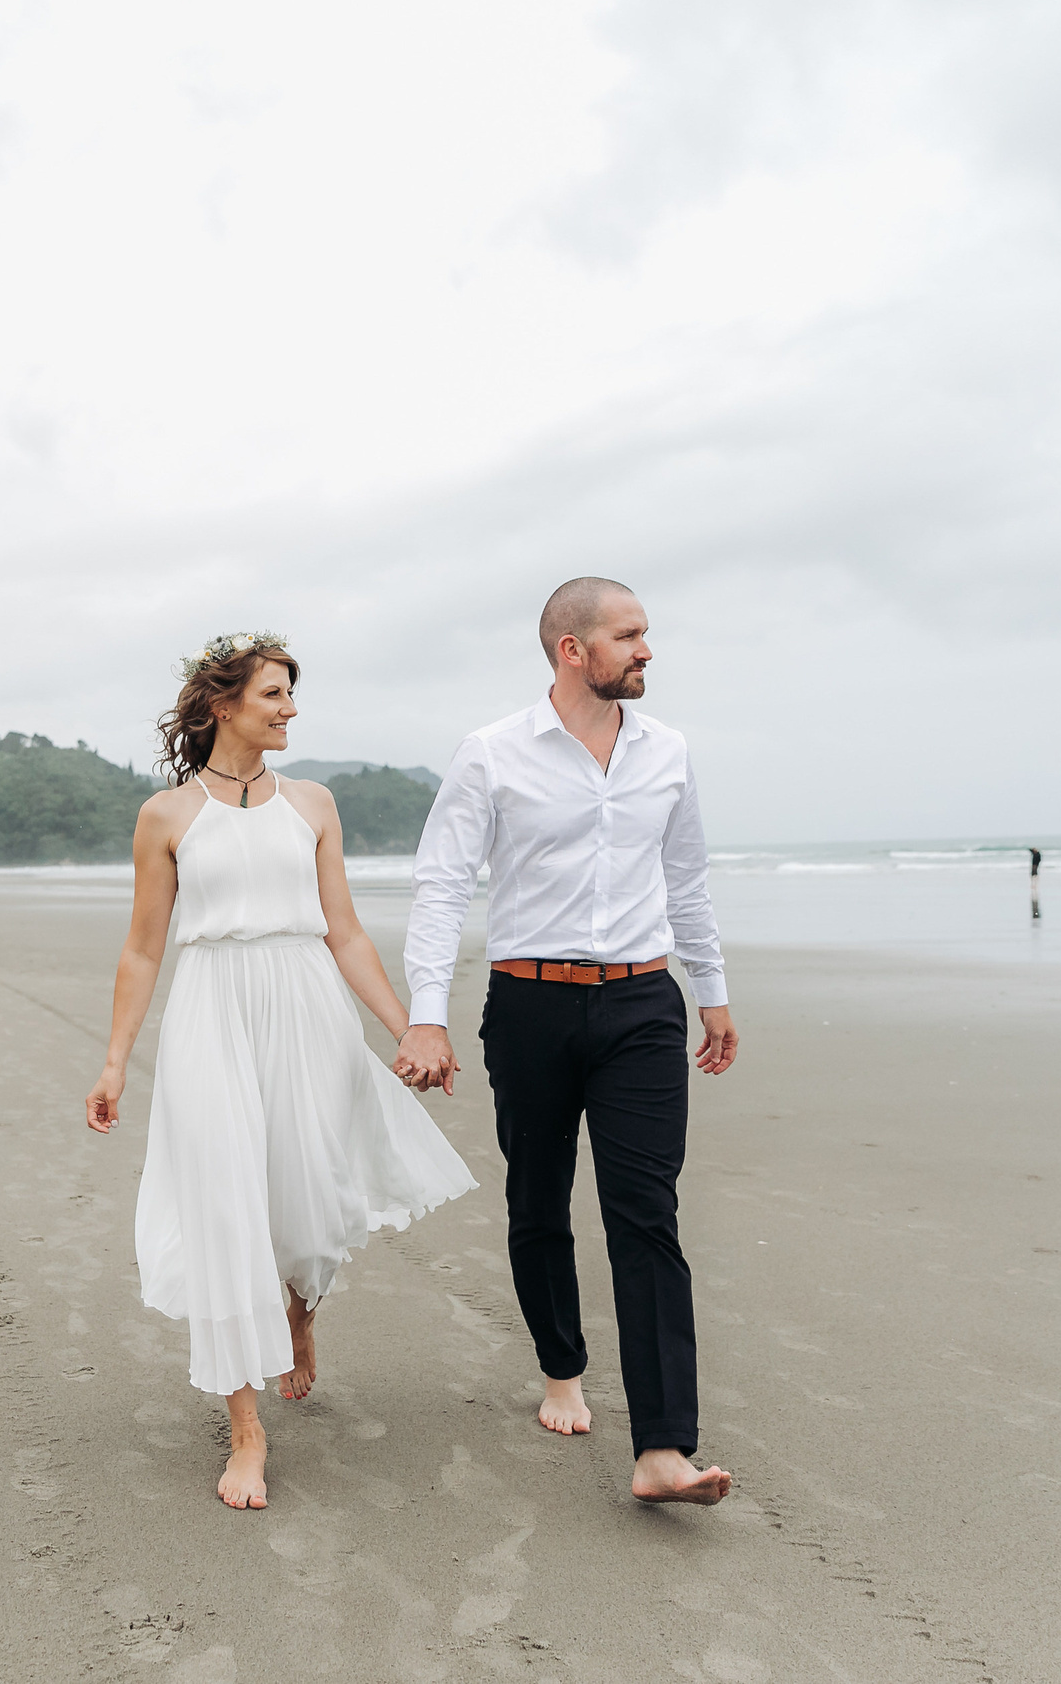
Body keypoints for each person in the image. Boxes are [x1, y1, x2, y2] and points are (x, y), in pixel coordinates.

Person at [87, 631, 477, 1511]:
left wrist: (414, 1026)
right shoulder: (168, 816)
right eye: (274, 694)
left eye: (291, 694)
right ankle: (246, 1428)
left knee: (304, 1194)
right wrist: (114, 1062)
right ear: (224, 705)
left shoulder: (314, 803)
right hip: (212, 1010)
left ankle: (299, 1307)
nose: (291, 708)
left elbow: (342, 930)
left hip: (306, 1005)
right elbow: (144, 948)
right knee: (226, 1200)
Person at [395, 577, 738, 1507]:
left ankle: (665, 1444)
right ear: (570, 649)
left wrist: (711, 991)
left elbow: (688, 877)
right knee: (539, 1202)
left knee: (645, 1211)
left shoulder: (668, 752)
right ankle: (560, 1367)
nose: (647, 650)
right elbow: (443, 884)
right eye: (629, 635)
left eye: (646, 633)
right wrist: (426, 1010)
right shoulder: (493, 754)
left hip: (641, 1006)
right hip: (531, 1005)